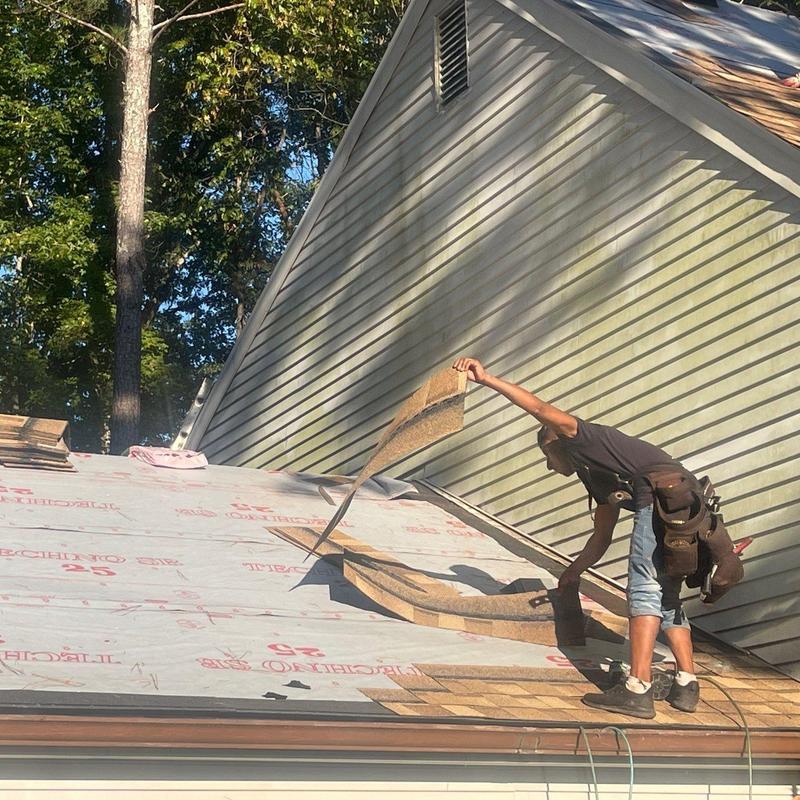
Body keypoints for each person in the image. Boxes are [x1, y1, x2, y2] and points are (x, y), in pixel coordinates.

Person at [452, 356, 700, 719]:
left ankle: (637, 689)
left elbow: (537, 407)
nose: (548, 465)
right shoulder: (600, 476)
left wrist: (487, 379)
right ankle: (686, 684)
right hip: (686, 504)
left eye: (547, 456)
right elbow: (601, 538)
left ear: (557, 443)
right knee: (667, 594)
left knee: (644, 590)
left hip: (663, 495)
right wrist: (573, 573)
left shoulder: (581, 437)